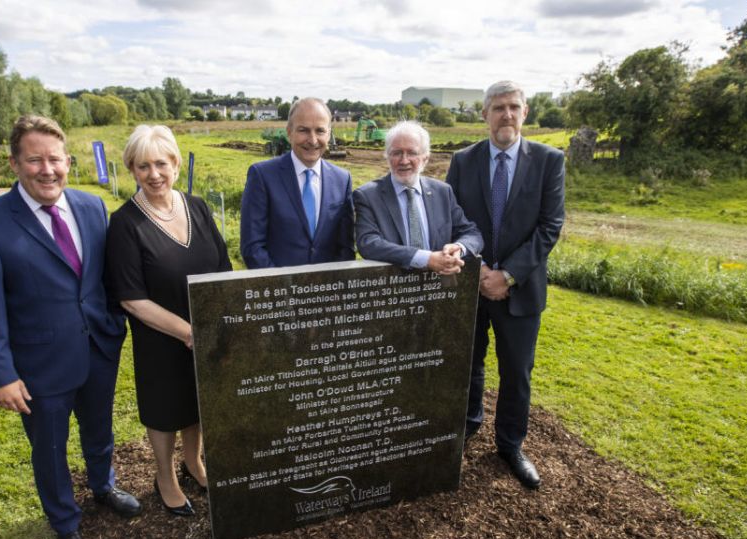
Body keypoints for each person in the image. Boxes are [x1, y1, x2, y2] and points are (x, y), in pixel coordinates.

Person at [0, 115, 140, 539]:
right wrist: (0, 374)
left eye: (55, 159)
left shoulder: (91, 206)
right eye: (35, 160)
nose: (47, 169)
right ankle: (65, 524)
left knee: (99, 430)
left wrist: (115, 325)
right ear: (15, 163)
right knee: (50, 449)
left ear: (68, 161)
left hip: (98, 348)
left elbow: (103, 279)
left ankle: (104, 485)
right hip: (38, 365)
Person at [105, 125, 232, 517]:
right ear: (132, 170)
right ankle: (165, 476)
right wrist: (187, 332)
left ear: (176, 163)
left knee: (197, 403)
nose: (154, 173)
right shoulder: (125, 224)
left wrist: (218, 322)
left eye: (161, 163)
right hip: (160, 338)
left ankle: (193, 463)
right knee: (165, 409)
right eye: (143, 166)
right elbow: (131, 298)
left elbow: (223, 266)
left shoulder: (197, 207)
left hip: (206, 332)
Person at [445, 81, 565, 489]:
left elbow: (550, 227)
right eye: (498, 108)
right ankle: (467, 426)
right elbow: (454, 217)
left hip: (521, 289)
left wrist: (507, 275)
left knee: (517, 373)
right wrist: (478, 272)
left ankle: (511, 445)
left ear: (526, 112)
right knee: (469, 364)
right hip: (471, 286)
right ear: (485, 114)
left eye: (514, 107)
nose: (506, 115)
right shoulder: (463, 160)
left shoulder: (549, 161)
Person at [354, 120, 482, 273]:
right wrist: (426, 259)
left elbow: (471, 233)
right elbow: (369, 243)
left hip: (439, 288)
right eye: (396, 153)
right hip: (393, 290)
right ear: (387, 157)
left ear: (425, 158)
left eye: (412, 153)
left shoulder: (442, 192)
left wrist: (459, 248)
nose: (404, 160)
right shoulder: (367, 196)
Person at [240, 97, 355, 268]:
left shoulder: (342, 179)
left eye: (320, 131)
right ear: (289, 132)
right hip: (279, 290)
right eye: (304, 130)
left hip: (327, 291)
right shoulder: (262, 176)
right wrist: (285, 289)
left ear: (329, 134)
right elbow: (253, 247)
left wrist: (330, 286)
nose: (313, 139)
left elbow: (346, 248)